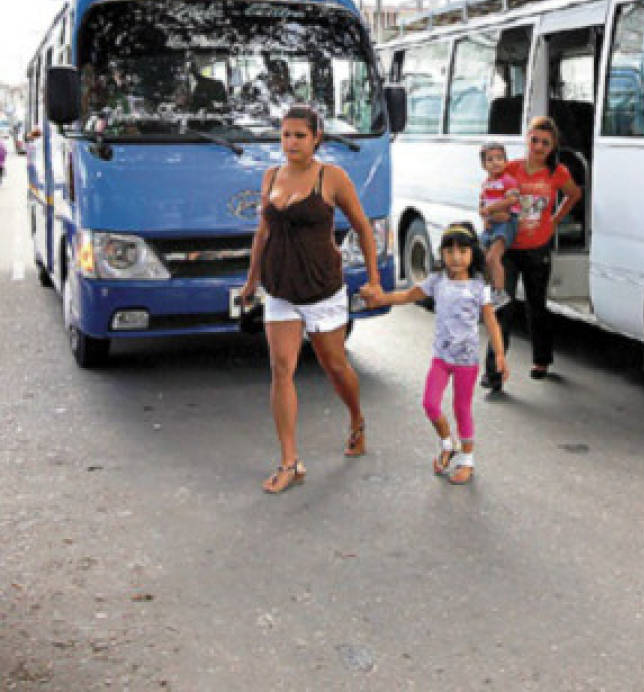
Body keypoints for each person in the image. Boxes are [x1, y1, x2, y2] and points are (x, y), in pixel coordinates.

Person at [239, 104, 382, 494]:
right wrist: (252, 281)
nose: (291, 142)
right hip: (281, 288)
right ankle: (290, 461)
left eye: (299, 135)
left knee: (334, 365)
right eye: (285, 135)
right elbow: (262, 234)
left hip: (322, 288)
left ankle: (356, 419)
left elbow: (363, 228)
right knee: (281, 367)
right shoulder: (271, 177)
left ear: (316, 137)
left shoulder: (331, 177)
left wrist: (373, 280)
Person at [361, 223, 506, 485]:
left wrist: (500, 356)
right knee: (430, 404)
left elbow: (492, 322)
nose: (456, 257)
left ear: (473, 253)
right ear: (442, 254)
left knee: (462, 408)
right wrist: (381, 299)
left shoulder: (478, 286)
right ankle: (446, 442)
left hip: (466, 361)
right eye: (449, 251)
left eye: (463, 250)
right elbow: (407, 295)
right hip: (441, 358)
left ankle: (467, 460)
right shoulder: (437, 281)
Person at [482, 116, 582, 392]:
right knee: (503, 308)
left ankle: (541, 359)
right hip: (509, 250)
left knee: (537, 307)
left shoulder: (557, 172)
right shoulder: (509, 169)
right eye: (534, 140)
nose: (538, 147)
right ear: (526, 138)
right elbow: (489, 196)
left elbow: (573, 194)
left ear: (553, 147)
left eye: (545, 143)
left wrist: (555, 218)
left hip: (538, 249)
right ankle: (494, 372)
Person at [478, 142, 520, 308]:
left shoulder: (508, 181)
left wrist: (490, 209)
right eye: (490, 159)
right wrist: (484, 214)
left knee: (493, 257)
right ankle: (488, 289)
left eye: (500, 158)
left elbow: (512, 200)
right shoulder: (486, 183)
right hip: (492, 223)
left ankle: (500, 292)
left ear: (506, 161)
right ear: (483, 165)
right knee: (482, 257)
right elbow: (482, 203)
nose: (496, 162)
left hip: (506, 224)